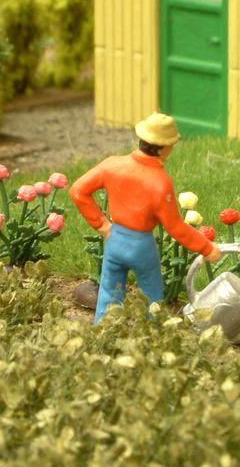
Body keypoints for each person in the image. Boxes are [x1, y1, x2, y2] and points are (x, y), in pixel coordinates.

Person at [70, 113, 222, 323]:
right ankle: (152, 334)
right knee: (152, 297)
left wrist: (103, 225)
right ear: (163, 147)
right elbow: (174, 226)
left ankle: (104, 332)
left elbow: (78, 191)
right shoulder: (160, 182)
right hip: (141, 246)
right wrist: (206, 248)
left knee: (109, 293)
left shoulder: (112, 164)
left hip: (115, 240)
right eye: (172, 145)